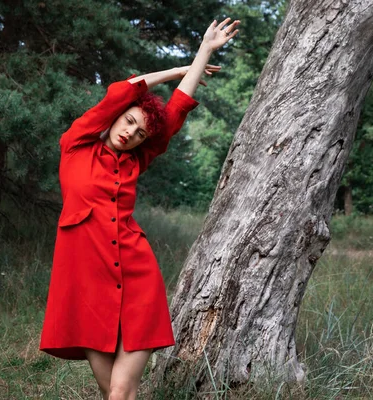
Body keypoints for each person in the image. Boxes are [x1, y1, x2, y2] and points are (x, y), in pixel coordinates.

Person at [39, 17, 240, 400]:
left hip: (136, 277)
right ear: (118, 115)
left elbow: (176, 111)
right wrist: (177, 69)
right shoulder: (76, 145)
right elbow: (121, 91)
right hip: (85, 287)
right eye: (129, 121)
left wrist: (203, 53)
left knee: (119, 392)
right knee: (113, 393)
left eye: (140, 133)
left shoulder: (135, 160)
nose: (130, 133)